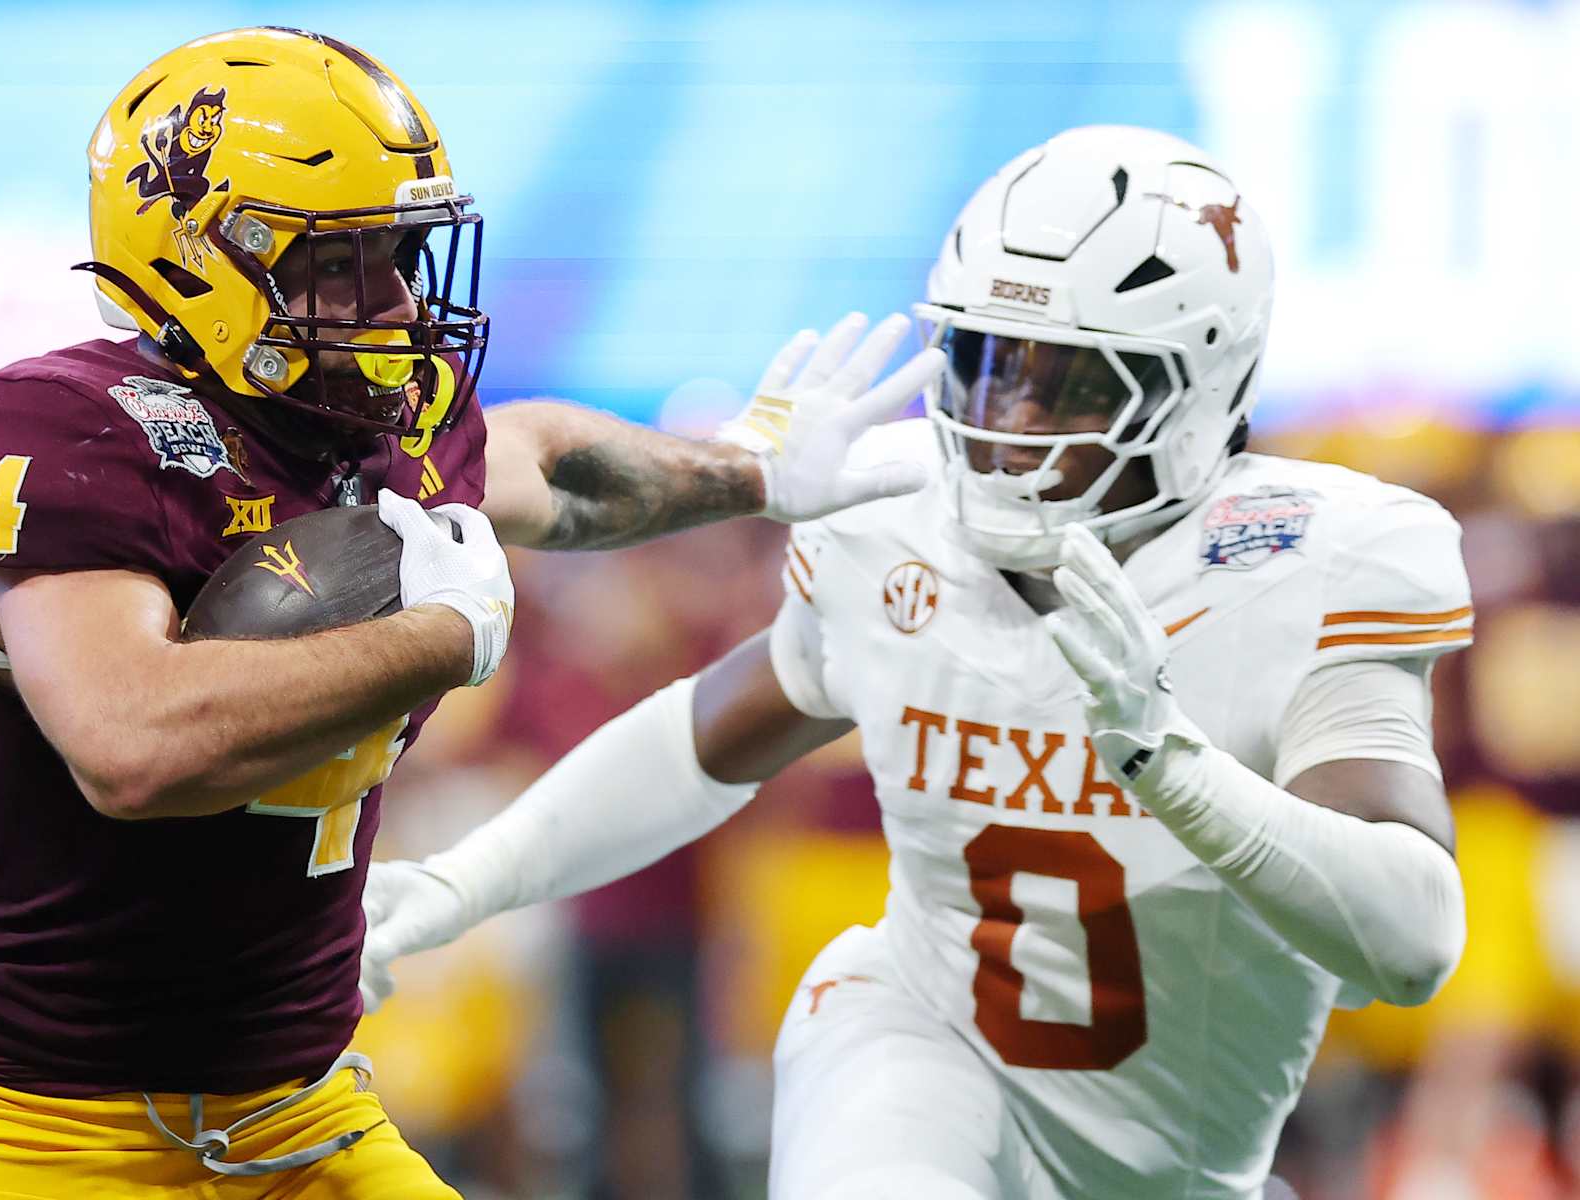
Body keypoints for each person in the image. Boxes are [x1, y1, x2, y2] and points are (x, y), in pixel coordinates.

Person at [0, 26, 942, 1200]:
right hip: (42, 1133)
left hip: (299, 1110)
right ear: (203, 258)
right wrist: (447, 636)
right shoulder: (71, 429)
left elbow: (548, 457)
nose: (393, 297)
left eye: (400, 252)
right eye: (343, 260)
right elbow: (133, 746)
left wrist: (748, 470)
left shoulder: (379, 419)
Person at [360, 125, 1473, 1200]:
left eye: (1073, 383)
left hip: (1176, 1157)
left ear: (1199, 387)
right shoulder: (896, 505)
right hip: (922, 1034)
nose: (1009, 422)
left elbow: (1412, 939)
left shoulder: (1311, 558)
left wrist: (1170, 764)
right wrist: (462, 884)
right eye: (988, 364)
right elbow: (702, 740)